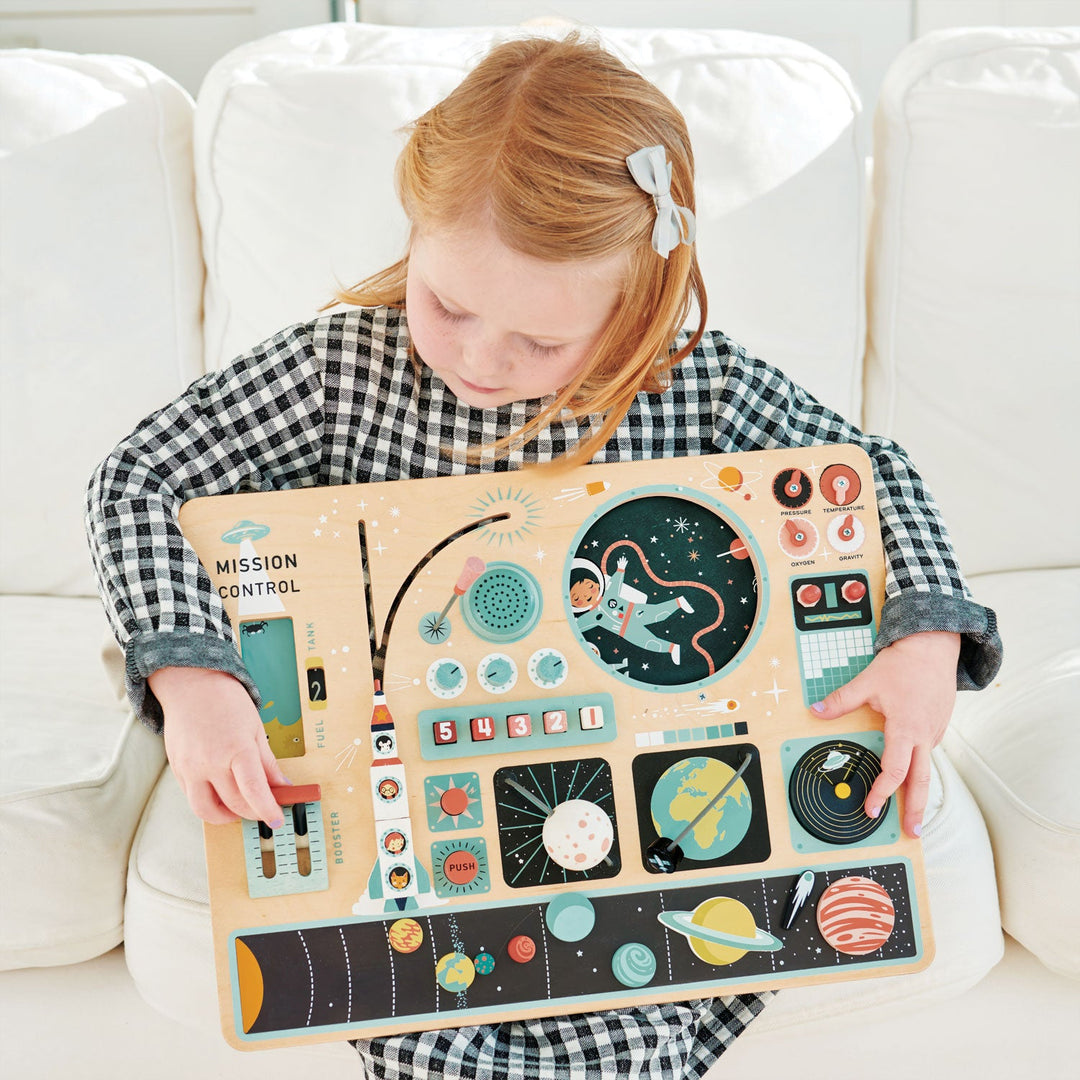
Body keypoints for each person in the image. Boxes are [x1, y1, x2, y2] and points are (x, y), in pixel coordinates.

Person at [85, 32, 1001, 1080]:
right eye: (449, 305)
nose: (481, 358)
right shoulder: (341, 369)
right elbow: (139, 476)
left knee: (635, 998)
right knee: (426, 1008)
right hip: (408, 810)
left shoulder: (691, 384)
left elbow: (869, 476)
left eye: (541, 341)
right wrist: (194, 677)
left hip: (647, 803)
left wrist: (927, 638)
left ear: (636, 303)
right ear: (414, 232)